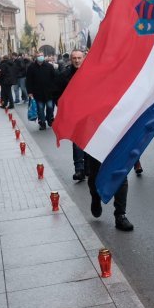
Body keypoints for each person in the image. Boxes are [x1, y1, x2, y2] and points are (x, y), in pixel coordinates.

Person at [57, 49, 133, 231]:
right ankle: (95, 196)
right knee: (95, 173)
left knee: (120, 173)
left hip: (114, 130)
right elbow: (64, 101)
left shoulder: (110, 76)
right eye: (74, 58)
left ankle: (120, 214)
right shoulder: (72, 78)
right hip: (92, 133)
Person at [56, 50, 89, 181]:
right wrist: (63, 108)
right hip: (74, 114)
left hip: (89, 113)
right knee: (77, 141)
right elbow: (57, 93)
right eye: (74, 58)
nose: (77, 60)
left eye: (79, 58)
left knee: (89, 141)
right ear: (71, 59)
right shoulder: (64, 75)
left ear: (84, 58)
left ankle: (88, 167)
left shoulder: (91, 73)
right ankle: (79, 169)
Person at [26, 52, 57, 130]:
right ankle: (42, 122)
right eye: (38, 56)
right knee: (40, 108)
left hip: (49, 92)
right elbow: (28, 81)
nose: (40, 57)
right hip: (37, 92)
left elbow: (55, 78)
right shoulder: (31, 67)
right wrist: (29, 92)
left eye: (41, 55)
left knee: (50, 107)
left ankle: (49, 119)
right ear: (36, 57)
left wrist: (54, 89)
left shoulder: (49, 66)